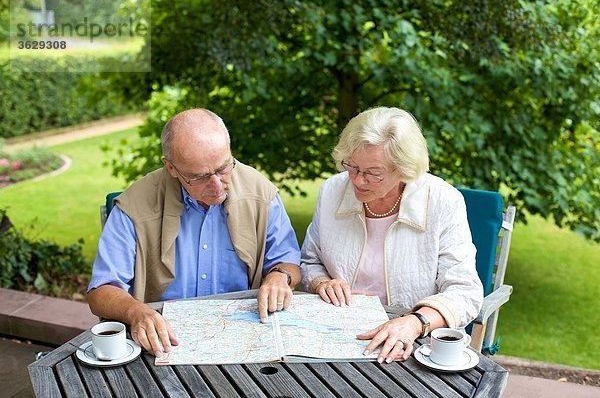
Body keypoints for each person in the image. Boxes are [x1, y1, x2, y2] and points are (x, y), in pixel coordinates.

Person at [88, 108, 301, 357]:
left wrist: (279, 277)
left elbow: (289, 263)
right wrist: (137, 312)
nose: (216, 185)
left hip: (244, 338)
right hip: (163, 340)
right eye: (198, 177)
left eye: (223, 168)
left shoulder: (260, 193)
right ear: (171, 168)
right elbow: (101, 291)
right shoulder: (135, 205)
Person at [300, 106, 483, 364]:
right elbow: (310, 260)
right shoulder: (333, 190)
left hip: (411, 345)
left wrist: (415, 322)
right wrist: (321, 282)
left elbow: (465, 293)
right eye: (351, 166)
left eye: (373, 173)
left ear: (404, 169)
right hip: (337, 335)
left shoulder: (443, 201)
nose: (357, 181)